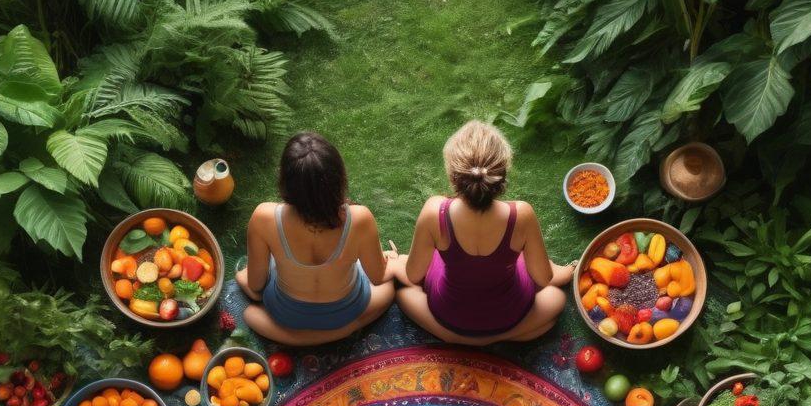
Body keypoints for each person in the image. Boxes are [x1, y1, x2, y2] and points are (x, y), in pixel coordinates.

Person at [391, 121, 573, 344]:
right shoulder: (521, 214)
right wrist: (570, 270)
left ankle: (460, 338)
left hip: (450, 313)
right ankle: (501, 336)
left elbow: (414, 276)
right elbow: (544, 278)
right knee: (556, 299)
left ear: (452, 175)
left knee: (402, 294)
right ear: (503, 174)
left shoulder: (434, 211)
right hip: (510, 313)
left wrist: (397, 261)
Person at [236, 132, 395, 346]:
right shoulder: (360, 218)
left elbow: (256, 283)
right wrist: (392, 260)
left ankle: (300, 337)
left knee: (249, 309)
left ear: (284, 181)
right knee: (390, 288)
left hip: (286, 314)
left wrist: (241, 277)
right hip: (346, 312)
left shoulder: (264, 217)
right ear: (339, 178)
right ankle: (345, 330)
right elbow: (378, 276)